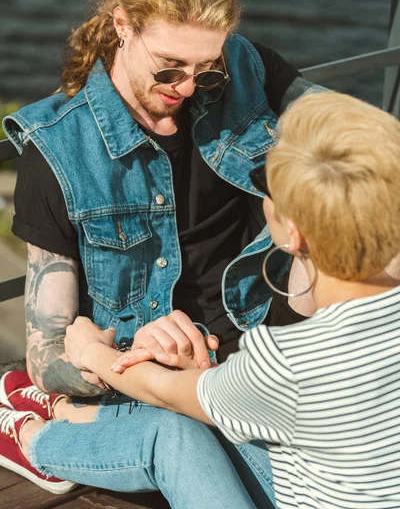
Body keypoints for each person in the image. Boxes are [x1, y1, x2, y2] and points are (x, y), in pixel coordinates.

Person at [1, 0, 329, 506]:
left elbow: (355, 141)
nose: (187, 88)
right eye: (169, 68)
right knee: (181, 439)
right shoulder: (59, 152)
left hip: (248, 367)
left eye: (206, 69)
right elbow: (48, 354)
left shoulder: (248, 70)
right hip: (141, 384)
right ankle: (35, 433)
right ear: (122, 24)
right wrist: (116, 356)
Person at [15, 91, 400, 509]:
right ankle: (70, 415)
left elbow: (165, 392)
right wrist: (214, 378)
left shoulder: (291, 359)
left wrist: (91, 351)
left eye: (264, 181)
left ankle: (30, 437)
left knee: (171, 434)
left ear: (295, 234)